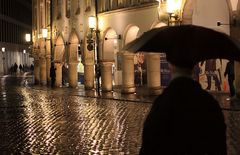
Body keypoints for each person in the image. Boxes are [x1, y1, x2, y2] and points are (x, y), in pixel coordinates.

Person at [139, 62, 227, 155]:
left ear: (170, 65)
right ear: (193, 67)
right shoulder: (210, 104)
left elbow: (148, 147)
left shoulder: (161, 105)